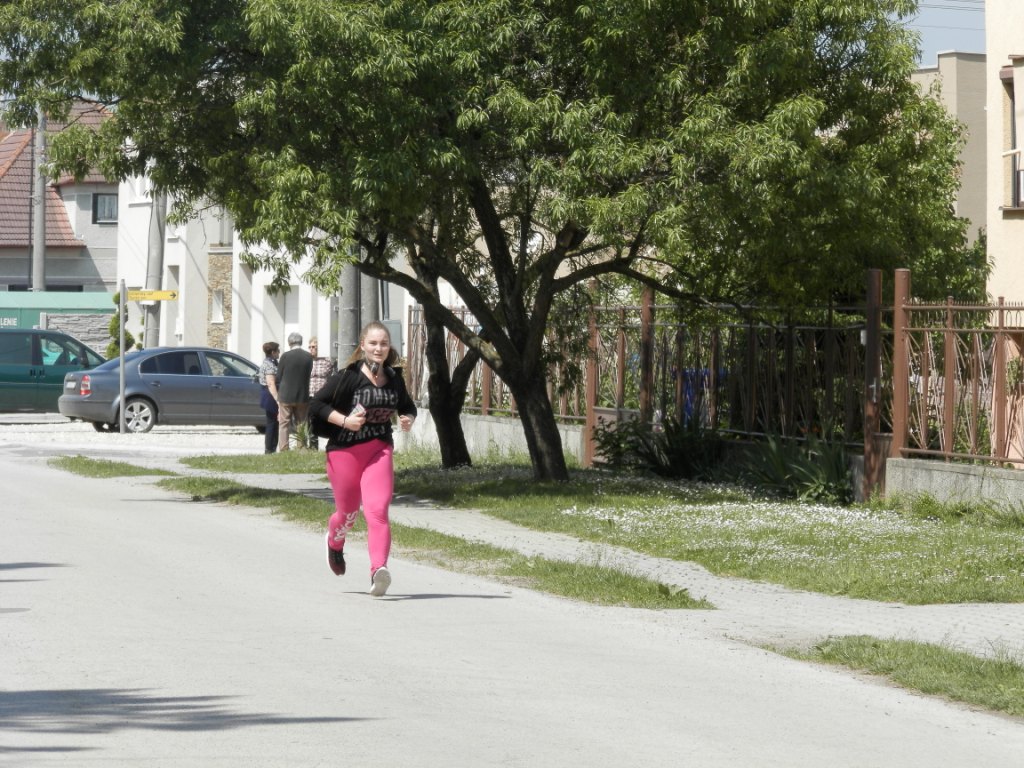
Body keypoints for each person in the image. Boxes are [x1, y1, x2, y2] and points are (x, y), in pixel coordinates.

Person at [309, 321, 417, 597]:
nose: (379, 348)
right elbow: (317, 404)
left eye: (384, 343)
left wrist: (407, 419)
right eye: (373, 343)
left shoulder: (394, 378)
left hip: (379, 449)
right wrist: (345, 421)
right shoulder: (348, 376)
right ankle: (334, 542)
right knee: (348, 514)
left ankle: (378, 569)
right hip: (344, 451)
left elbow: (407, 406)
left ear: (389, 347)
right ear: (363, 346)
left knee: (377, 510)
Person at [275, 332, 314, 451]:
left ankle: (284, 448)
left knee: (284, 423)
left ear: (289, 342)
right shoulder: (308, 356)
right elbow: (308, 373)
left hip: (286, 395)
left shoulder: (285, 356)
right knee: (301, 422)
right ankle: (301, 448)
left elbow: (278, 376)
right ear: (301, 342)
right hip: (302, 394)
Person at [306, 337, 335, 449]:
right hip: (310, 394)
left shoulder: (327, 361)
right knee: (311, 420)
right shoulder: (308, 361)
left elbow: (331, 376)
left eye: (314, 347)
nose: (311, 349)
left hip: (322, 395)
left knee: (325, 419)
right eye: (310, 347)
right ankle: (313, 446)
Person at [258, 341, 281, 454]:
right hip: (270, 395)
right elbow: (271, 383)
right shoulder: (269, 365)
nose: (279, 352)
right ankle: (269, 449)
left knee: (275, 423)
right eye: (278, 350)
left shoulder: (272, 362)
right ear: (273, 352)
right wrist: (277, 399)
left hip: (270, 394)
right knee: (272, 423)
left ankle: (273, 448)